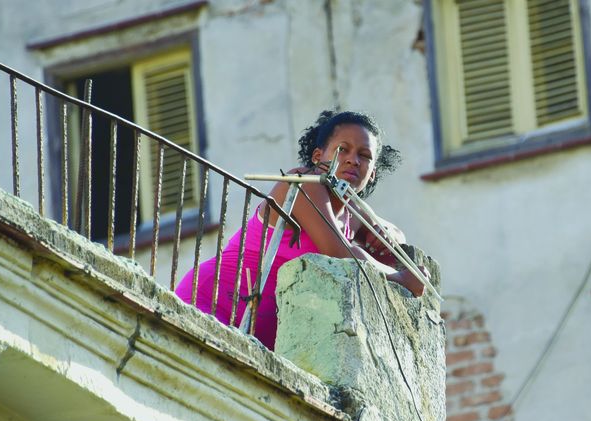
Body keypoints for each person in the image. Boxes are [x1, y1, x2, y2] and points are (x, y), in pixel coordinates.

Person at [175, 110, 426, 350]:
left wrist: (387, 231)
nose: (353, 160)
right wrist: (400, 278)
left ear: (372, 174)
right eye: (342, 150)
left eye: (365, 155)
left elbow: (391, 233)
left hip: (261, 334)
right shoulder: (301, 185)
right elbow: (338, 252)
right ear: (318, 157)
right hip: (213, 302)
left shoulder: (352, 215)